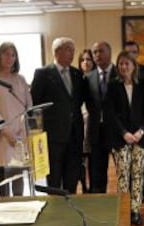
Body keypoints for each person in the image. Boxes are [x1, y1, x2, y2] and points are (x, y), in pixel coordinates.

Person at [31, 37, 85, 194]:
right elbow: (34, 104)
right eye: (68, 49)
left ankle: (71, 210)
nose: (72, 53)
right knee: (54, 178)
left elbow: (78, 101)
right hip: (53, 136)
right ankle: (56, 211)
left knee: (72, 177)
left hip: (74, 134)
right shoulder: (43, 73)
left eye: (73, 50)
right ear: (56, 51)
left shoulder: (76, 74)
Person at [105, 51, 144, 226]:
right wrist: (124, 132)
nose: (124, 67)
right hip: (120, 137)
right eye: (121, 64)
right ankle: (124, 210)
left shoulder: (143, 85)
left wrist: (141, 130)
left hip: (140, 137)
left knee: (137, 174)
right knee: (123, 174)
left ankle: (135, 210)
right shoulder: (113, 86)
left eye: (127, 63)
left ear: (134, 66)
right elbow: (110, 113)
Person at [0, 42, 32, 197]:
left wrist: (24, 128)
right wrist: (5, 130)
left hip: (20, 133)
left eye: (12, 54)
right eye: (5, 54)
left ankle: (20, 205)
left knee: (18, 172)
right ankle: (4, 207)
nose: (9, 58)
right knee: (4, 173)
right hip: (2, 134)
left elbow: (28, 105)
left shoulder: (21, 79)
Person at [123, 40, 144, 198]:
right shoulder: (120, 74)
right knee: (127, 162)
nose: (131, 55)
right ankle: (132, 192)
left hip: (142, 124)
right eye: (128, 52)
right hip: (124, 126)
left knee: (141, 159)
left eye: (134, 52)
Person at [85, 41, 118, 193]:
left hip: (119, 131)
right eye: (95, 52)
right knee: (97, 172)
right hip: (97, 131)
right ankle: (98, 202)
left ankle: (129, 205)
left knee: (124, 172)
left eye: (101, 51)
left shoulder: (121, 73)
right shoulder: (88, 77)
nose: (98, 55)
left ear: (110, 53)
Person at [78, 49, 96, 193]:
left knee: (92, 157)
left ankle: (92, 186)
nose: (86, 62)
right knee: (81, 158)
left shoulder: (96, 78)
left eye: (88, 59)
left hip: (92, 122)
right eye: (83, 60)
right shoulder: (77, 77)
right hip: (79, 122)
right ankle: (84, 185)